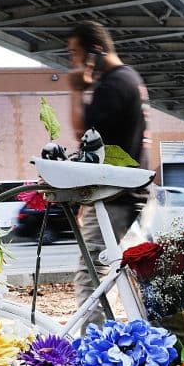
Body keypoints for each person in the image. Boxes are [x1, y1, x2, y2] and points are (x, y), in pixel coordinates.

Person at [67, 20, 150, 329]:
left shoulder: (113, 85)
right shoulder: (130, 79)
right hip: (129, 193)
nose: (72, 62)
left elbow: (83, 135)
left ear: (94, 52)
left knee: (90, 274)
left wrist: (77, 92)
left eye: (74, 54)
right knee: (119, 272)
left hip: (114, 197)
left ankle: (94, 348)